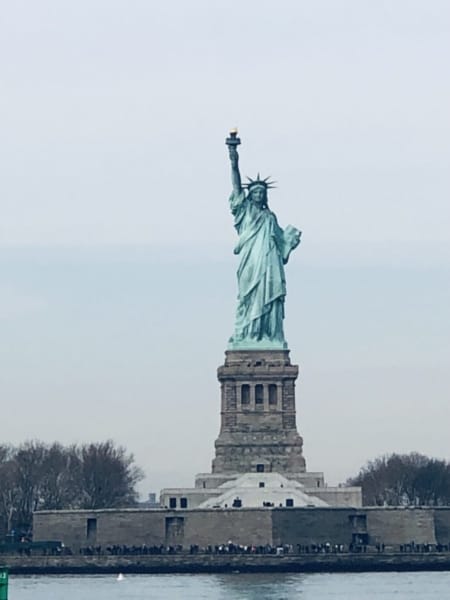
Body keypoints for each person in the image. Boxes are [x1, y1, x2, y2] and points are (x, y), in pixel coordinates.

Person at [227, 141, 301, 348]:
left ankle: (267, 335)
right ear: (250, 195)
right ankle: (248, 334)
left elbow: (282, 246)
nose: (259, 195)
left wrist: (290, 241)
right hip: (251, 261)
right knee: (248, 297)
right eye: (255, 192)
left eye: (262, 192)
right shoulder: (245, 211)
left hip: (269, 263)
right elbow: (235, 183)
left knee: (268, 296)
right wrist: (233, 157)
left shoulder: (270, 217)